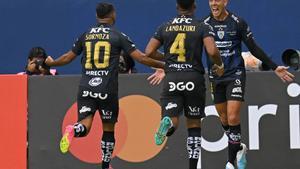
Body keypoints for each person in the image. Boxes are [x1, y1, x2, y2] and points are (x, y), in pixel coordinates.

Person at [45, 2, 164, 169]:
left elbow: (67, 57)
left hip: (86, 88)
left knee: (85, 126)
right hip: (106, 89)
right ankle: (105, 165)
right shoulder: (118, 36)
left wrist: (52, 62)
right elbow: (141, 58)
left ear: (96, 16)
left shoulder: (86, 35)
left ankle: (74, 129)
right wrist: (165, 64)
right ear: (113, 14)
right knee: (108, 129)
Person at [203, 0, 295, 168]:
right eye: (211, 0)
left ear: (225, 1)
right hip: (215, 77)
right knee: (223, 118)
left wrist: (274, 67)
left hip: (235, 73)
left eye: (217, 0)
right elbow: (192, 50)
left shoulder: (238, 22)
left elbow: (253, 47)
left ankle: (230, 162)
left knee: (232, 116)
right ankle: (239, 148)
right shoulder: (204, 25)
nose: (213, 4)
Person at [145, 0, 224, 168]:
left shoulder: (165, 26)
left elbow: (149, 52)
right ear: (194, 7)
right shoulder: (202, 26)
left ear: (177, 7)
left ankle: (167, 123)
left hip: (172, 76)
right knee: (194, 124)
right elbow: (212, 51)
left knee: (173, 119)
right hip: (193, 77)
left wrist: (167, 59)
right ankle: (193, 166)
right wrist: (219, 64)